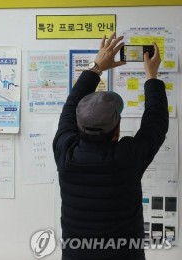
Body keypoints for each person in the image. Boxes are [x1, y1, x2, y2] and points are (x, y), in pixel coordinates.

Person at [53, 33, 168, 260]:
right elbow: (156, 122)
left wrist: (96, 67)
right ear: (117, 130)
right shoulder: (127, 158)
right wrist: (152, 75)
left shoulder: (65, 152)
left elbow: (70, 105)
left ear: (78, 125)